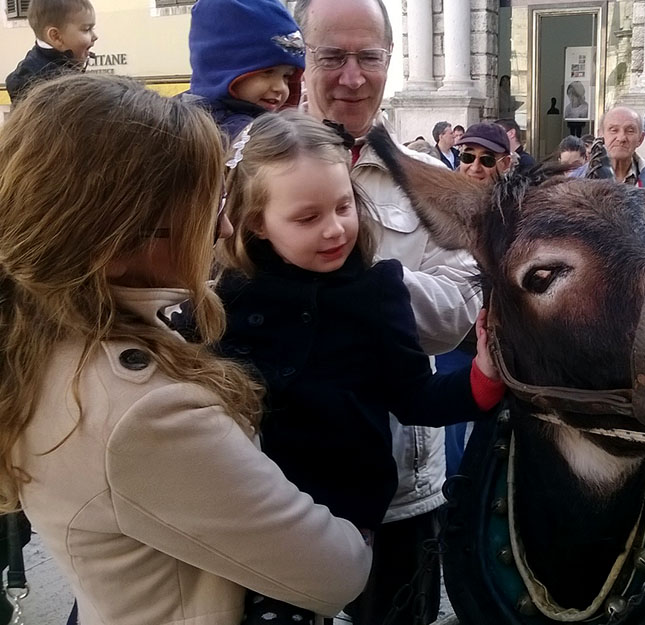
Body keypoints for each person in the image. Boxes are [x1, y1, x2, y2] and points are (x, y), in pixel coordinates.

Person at [0, 74, 372, 625]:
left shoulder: (38, 336)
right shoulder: (142, 411)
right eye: (204, 205)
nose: (222, 225)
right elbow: (335, 571)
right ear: (119, 242)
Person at [213, 112, 504, 624]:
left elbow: (416, 396)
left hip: (357, 521)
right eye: (307, 218)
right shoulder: (228, 297)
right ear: (256, 220)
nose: (334, 229)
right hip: (263, 526)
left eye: (344, 206)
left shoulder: (378, 290)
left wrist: (483, 374)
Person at [295, 1, 483, 622]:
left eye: (368, 58)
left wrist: (361, 287)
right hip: (273, 481)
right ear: (302, 55)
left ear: (388, 62)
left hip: (403, 484)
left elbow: (454, 315)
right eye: (332, 57)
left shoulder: (430, 181)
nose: (352, 77)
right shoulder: (242, 166)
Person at [185, 0, 306, 140]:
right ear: (223, 68)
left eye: (286, 76)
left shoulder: (183, 113)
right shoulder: (245, 136)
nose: (280, 87)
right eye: (268, 72)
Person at [573, 106, 645, 245]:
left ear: (640, 139)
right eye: (614, 130)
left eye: (630, 131)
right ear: (601, 135)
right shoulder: (575, 183)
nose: (621, 138)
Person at [4, 0, 97, 106]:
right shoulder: (48, 85)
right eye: (86, 29)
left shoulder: (41, 64)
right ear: (55, 36)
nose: (95, 36)